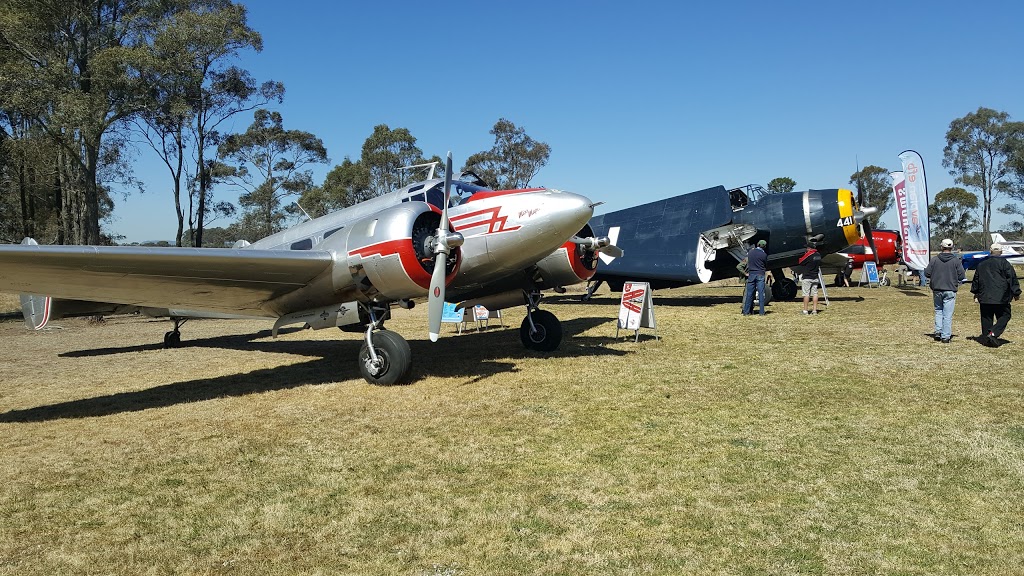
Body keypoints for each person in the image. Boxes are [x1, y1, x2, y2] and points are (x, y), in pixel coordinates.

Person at [970, 242, 1021, 347]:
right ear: (1001, 252)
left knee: (986, 317)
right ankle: (993, 333)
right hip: (1001, 296)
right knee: (1005, 315)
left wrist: (975, 292)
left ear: (990, 251)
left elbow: (976, 280)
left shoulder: (981, 264)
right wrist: (1016, 292)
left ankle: (986, 337)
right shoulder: (1005, 263)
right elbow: (1012, 278)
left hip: (984, 296)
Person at [923, 238, 967, 343]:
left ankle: (938, 331)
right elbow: (962, 275)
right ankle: (946, 336)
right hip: (950, 289)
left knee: (938, 311)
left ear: (941, 247)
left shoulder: (934, 259)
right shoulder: (956, 260)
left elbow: (927, 273)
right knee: (947, 314)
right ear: (951, 248)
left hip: (937, 289)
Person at [742, 239, 768, 316]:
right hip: (760, 274)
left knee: (749, 294)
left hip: (751, 274)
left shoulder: (750, 253)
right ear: (764, 246)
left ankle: (746, 311)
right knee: (761, 293)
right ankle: (761, 312)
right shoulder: (764, 255)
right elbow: (765, 264)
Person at [797, 243, 822, 314]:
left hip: (807, 276)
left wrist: (805, 254)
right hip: (815, 276)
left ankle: (805, 310)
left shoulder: (809, 254)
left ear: (809, 248)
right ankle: (814, 310)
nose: (806, 249)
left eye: (807, 248)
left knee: (806, 294)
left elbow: (801, 261)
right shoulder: (818, 255)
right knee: (815, 293)